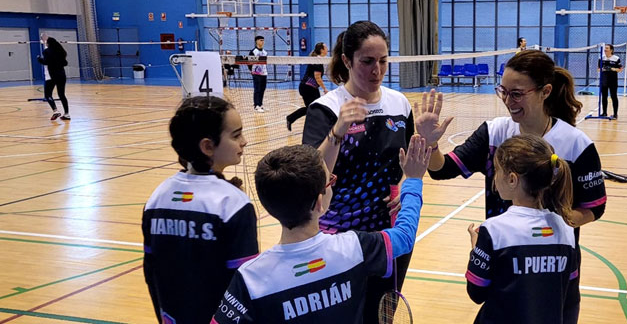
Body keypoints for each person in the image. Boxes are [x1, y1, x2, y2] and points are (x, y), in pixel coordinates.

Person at [416, 50, 606, 323]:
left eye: (516, 94)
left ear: (545, 91)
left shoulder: (576, 145)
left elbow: (594, 207)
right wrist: (431, 143)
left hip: (555, 269)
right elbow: (442, 169)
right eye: (503, 91)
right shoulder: (494, 132)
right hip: (506, 263)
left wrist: (551, 227)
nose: (507, 101)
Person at [211, 137, 430, 323]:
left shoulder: (250, 278)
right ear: (319, 202)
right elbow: (404, 236)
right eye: (330, 181)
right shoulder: (353, 248)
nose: (333, 183)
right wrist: (413, 180)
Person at [301, 20, 414, 323]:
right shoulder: (325, 109)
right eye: (367, 61)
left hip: (389, 235)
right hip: (339, 236)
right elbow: (313, 175)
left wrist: (403, 188)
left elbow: (407, 164)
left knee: (382, 316)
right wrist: (338, 130)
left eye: (383, 61)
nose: (377, 70)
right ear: (347, 60)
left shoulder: (399, 104)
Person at [142, 96, 259, 324]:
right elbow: (244, 285)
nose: (244, 141)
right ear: (207, 146)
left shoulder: (157, 198)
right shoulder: (234, 204)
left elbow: (151, 273)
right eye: (236, 135)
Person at [466, 134, 577, 323]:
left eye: (497, 170)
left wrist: (477, 252)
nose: (494, 178)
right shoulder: (565, 230)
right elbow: (570, 296)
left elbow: (477, 292)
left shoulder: (493, 230)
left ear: (512, 179)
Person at [286, 42, 330, 131]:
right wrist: (325, 89)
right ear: (322, 50)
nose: (327, 49)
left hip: (310, 88)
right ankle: (314, 127)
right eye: (326, 48)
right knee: (314, 108)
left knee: (312, 108)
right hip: (308, 88)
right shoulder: (317, 61)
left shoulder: (319, 60)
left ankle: (291, 118)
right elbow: (317, 77)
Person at [36, 35, 70, 121]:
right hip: (62, 75)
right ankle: (67, 114)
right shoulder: (61, 51)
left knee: (48, 94)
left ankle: (55, 111)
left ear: (49, 43)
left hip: (52, 76)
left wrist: (39, 59)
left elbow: (46, 62)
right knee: (62, 95)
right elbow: (65, 63)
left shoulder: (47, 52)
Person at [599, 44, 622, 119]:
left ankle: (615, 114)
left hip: (613, 80)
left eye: (607, 48)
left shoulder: (616, 58)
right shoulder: (601, 58)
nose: (605, 49)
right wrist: (603, 69)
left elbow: (620, 69)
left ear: (611, 50)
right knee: (604, 96)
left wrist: (612, 69)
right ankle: (604, 112)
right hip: (604, 79)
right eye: (605, 48)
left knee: (613, 96)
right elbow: (598, 69)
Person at [250, 35, 268, 112]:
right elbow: (249, 62)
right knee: (257, 89)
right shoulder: (253, 52)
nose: (262, 42)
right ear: (256, 41)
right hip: (256, 73)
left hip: (264, 73)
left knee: (262, 89)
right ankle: (256, 105)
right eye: (261, 40)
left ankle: (260, 104)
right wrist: (252, 71)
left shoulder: (265, 52)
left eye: (263, 40)